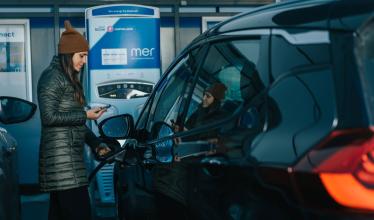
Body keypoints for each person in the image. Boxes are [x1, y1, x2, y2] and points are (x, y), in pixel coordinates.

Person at [37, 20, 110, 220]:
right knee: (79, 213)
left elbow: (75, 121)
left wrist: (96, 143)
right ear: (68, 55)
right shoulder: (52, 78)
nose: (84, 61)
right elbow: (49, 117)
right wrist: (86, 114)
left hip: (69, 164)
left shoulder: (69, 80)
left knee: (61, 214)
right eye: (81, 56)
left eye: (85, 56)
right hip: (62, 166)